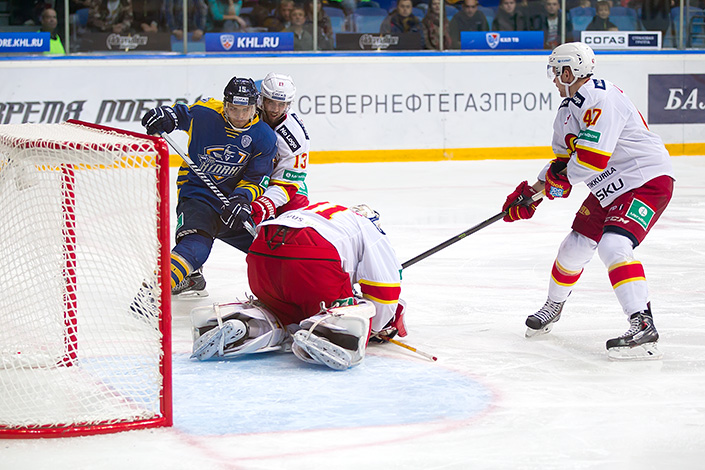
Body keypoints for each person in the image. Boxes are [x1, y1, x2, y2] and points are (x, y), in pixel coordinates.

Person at [501, 42, 674, 360]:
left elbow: (592, 159)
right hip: (608, 188)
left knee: (614, 245)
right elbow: (562, 165)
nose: (554, 79)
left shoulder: (601, 97)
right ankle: (554, 306)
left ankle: (642, 322)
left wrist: (559, 182)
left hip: (644, 180)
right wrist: (532, 194)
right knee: (574, 246)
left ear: (568, 72)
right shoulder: (566, 112)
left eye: (556, 72)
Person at [189, 202, 407, 371]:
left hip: (262, 251)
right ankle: (328, 332)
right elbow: (385, 294)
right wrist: (378, 326)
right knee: (352, 307)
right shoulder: (370, 229)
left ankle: (247, 326)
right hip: (313, 257)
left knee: (280, 313)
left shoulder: (326, 213)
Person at [141, 77, 277, 297]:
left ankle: (292, 294)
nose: (240, 116)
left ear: (255, 107)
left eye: (246, 110)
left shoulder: (264, 137)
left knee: (269, 249)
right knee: (196, 246)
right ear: (225, 104)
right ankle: (152, 293)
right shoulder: (206, 113)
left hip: (233, 203)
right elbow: (179, 115)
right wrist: (166, 116)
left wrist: (241, 199)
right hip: (198, 193)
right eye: (234, 109)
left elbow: (256, 179)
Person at [188, 72, 312, 294]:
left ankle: (298, 281)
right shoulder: (247, 105)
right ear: (261, 98)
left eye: (281, 104)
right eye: (270, 102)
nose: (275, 109)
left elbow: (287, 184)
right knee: (202, 211)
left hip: (280, 189)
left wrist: (259, 207)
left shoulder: (294, 136)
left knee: (287, 237)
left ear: (289, 104)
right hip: (245, 176)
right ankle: (192, 271)